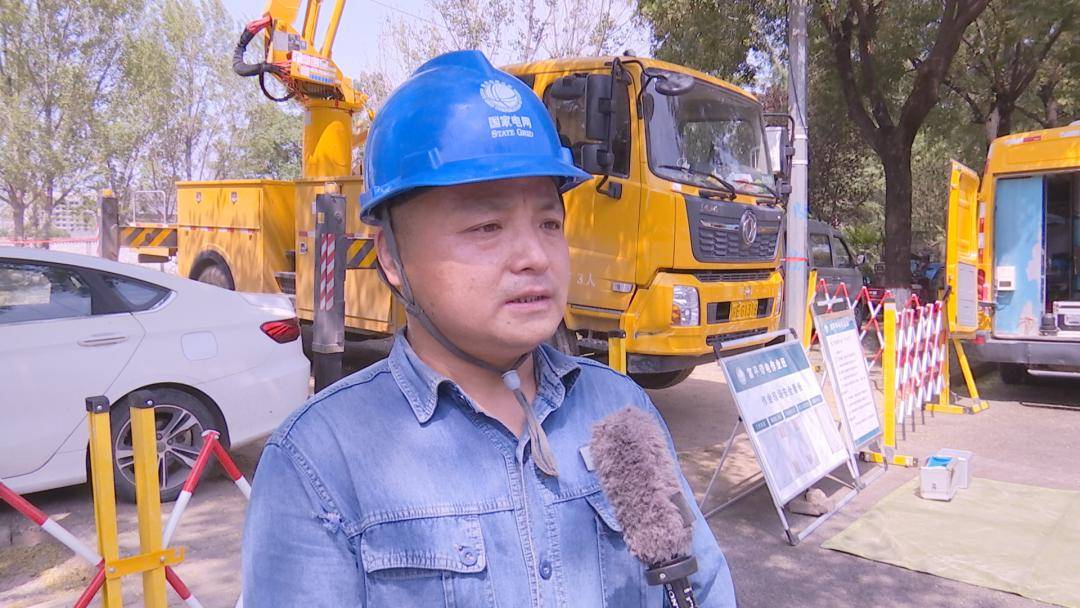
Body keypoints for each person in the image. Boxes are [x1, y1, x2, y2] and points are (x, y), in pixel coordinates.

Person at [241, 49, 737, 607]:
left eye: (548, 222)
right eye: (486, 226)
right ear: (393, 257)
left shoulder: (620, 411)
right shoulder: (319, 460)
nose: (535, 257)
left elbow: (703, 589)